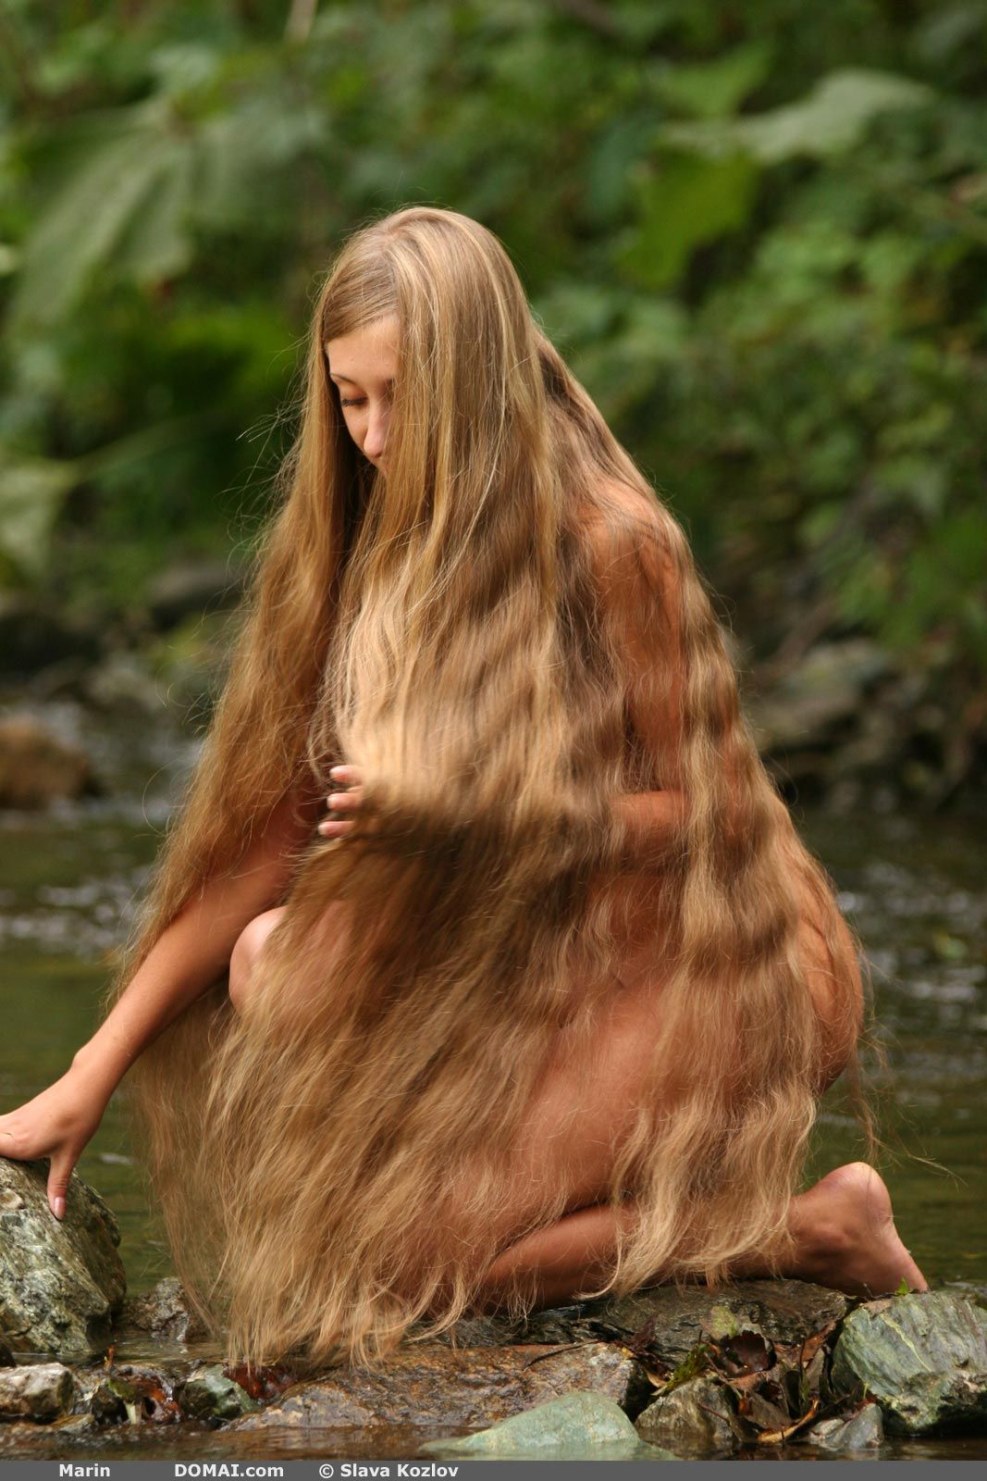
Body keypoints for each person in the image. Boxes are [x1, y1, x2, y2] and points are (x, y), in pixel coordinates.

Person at [0, 207, 925, 1367]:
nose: (375, 435)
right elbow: (264, 846)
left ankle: (818, 1228)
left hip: (721, 955)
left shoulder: (615, 541)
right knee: (273, 960)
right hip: (533, 954)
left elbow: (714, 820)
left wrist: (476, 824)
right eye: (349, 399)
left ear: (478, 381)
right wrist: (91, 1069)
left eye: (402, 397)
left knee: (411, 1264)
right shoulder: (358, 542)